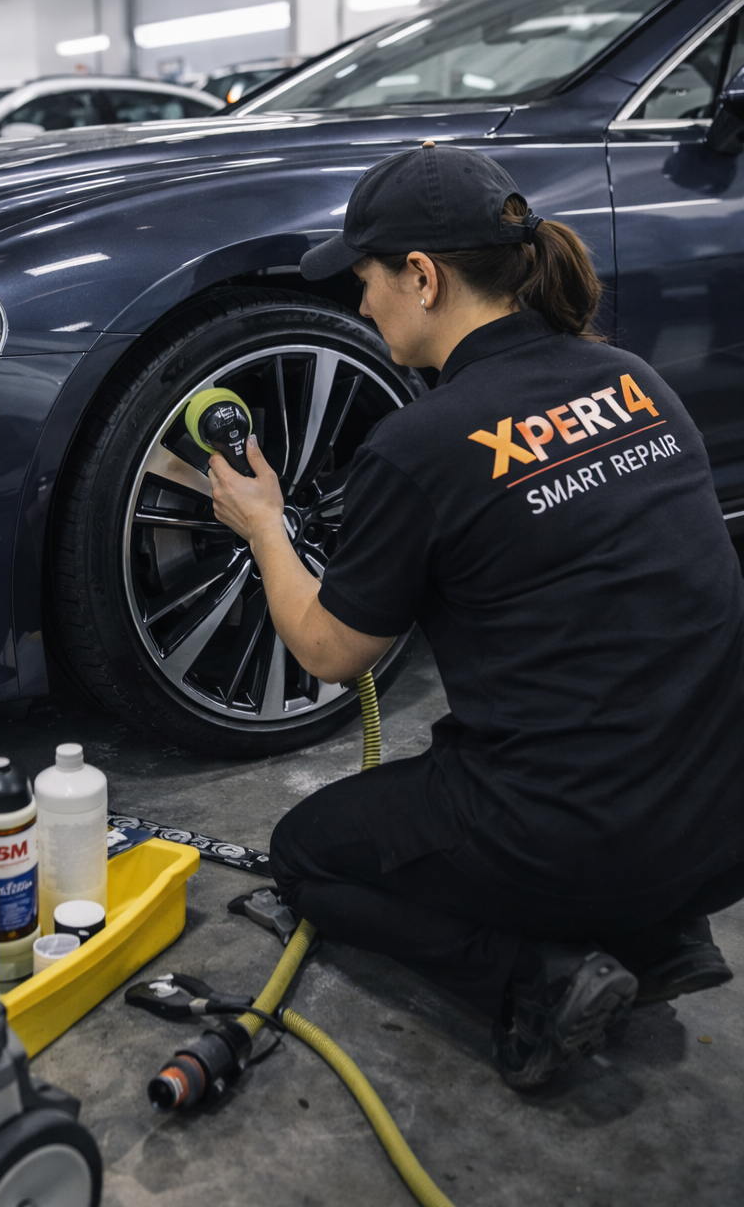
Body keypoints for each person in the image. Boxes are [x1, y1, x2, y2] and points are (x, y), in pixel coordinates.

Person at [207, 142, 744, 1091]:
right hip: (722, 819)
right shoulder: (633, 380)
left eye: (367, 280)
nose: (362, 306)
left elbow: (329, 651)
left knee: (308, 857)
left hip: (582, 837)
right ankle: (662, 934)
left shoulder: (420, 444)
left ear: (422, 276)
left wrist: (263, 528)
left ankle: (539, 977)